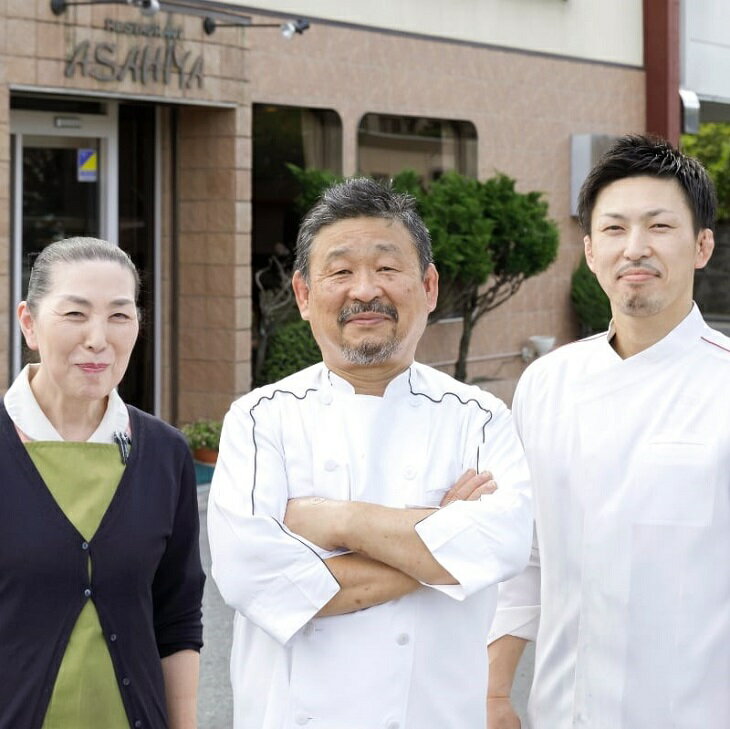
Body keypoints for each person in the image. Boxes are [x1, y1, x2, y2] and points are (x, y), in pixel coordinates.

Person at [208, 178, 533, 729]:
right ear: (305, 295)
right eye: (340, 271)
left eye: (387, 269)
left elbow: (503, 545)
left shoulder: (479, 418)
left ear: (427, 287)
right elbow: (252, 576)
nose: (365, 290)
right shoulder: (261, 419)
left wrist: (336, 520)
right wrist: (445, 544)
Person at [487, 135, 730, 728]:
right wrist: (493, 695)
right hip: (563, 710)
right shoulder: (546, 384)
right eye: (615, 229)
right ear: (591, 250)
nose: (636, 249)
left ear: (702, 245)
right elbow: (525, 557)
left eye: (659, 227)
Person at [0, 238, 205, 729]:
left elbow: (176, 621)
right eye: (75, 314)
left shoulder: (164, 453)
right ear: (29, 322)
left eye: (119, 316)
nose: (98, 338)